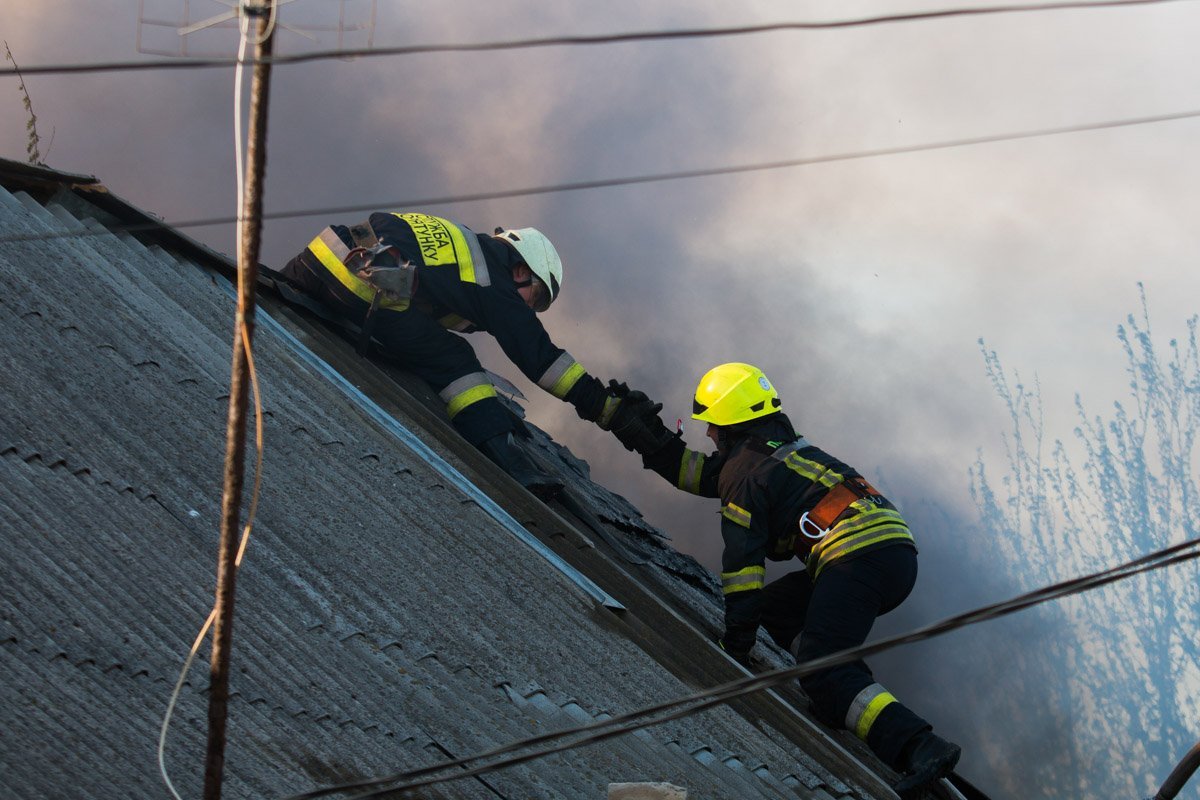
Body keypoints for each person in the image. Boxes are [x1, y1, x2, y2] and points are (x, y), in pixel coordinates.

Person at [609, 362, 961, 797]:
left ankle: (918, 746)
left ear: (729, 423)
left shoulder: (748, 470)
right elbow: (706, 478)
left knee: (821, 666)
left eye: (711, 425)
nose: (707, 435)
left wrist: (735, 645)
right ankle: (839, 696)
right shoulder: (774, 451)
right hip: (885, 551)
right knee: (779, 609)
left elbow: (742, 566)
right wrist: (646, 437)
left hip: (858, 558)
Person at [277, 211, 644, 498]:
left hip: (318, 258)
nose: (531, 309)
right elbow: (540, 358)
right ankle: (511, 459)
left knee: (269, 302)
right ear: (521, 269)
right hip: (364, 283)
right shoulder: (493, 280)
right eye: (537, 296)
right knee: (457, 360)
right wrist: (603, 405)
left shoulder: (463, 244)